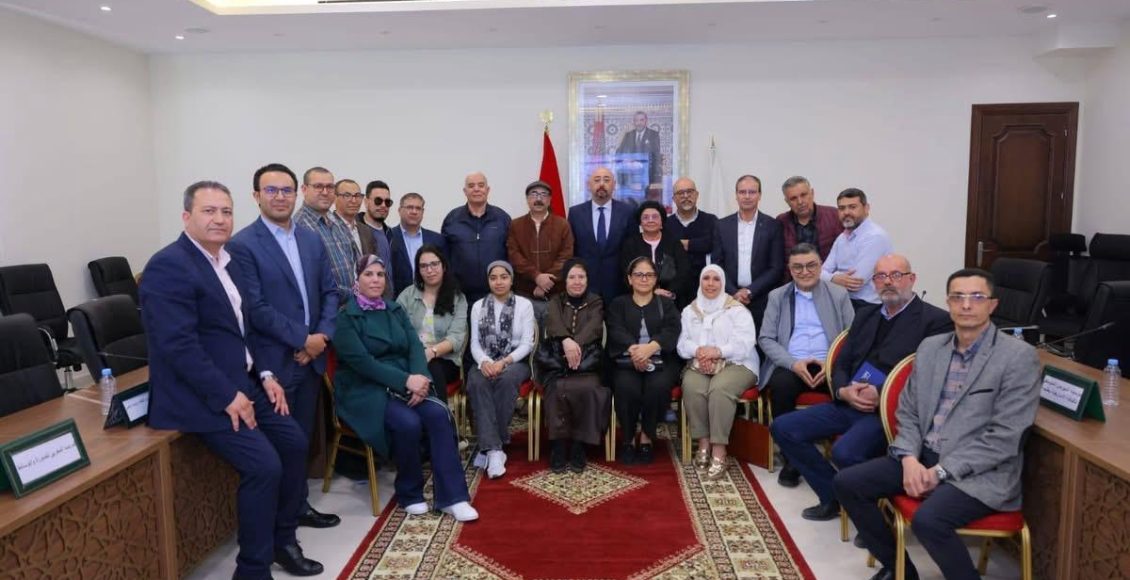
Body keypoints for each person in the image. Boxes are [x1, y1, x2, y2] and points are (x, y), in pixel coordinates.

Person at [141, 181, 323, 578]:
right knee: (264, 467)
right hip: (200, 395)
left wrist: (267, 374)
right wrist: (227, 395)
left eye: (226, 211)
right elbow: (178, 346)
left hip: (244, 383)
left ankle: (283, 542)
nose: (220, 219)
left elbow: (245, 330)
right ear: (186, 216)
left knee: (295, 442)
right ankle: (252, 569)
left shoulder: (228, 261)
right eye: (209, 211)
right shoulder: (168, 265)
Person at [835, 268, 1041, 580]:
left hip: (980, 472)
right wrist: (908, 458)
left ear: (993, 305)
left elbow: (1005, 438)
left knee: (929, 520)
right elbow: (909, 411)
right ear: (948, 303)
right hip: (923, 456)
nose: (966, 305)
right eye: (958, 297)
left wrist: (940, 472)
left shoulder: (1018, 357)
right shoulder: (931, 348)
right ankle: (899, 570)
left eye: (976, 297)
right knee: (848, 483)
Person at [769, 254, 952, 521]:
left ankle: (874, 516)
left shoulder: (935, 321)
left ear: (912, 279)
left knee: (846, 452)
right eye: (880, 276)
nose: (887, 282)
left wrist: (883, 393)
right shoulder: (866, 314)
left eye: (895, 275)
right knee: (784, 427)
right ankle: (833, 497)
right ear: (874, 283)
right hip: (849, 401)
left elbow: (928, 377)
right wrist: (842, 390)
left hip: (888, 412)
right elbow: (842, 361)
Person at [227, 162, 341, 530]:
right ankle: (280, 519)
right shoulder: (242, 245)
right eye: (271, 190)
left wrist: (320, 338)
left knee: (302, 440)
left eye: (286, 190)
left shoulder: (311, 239)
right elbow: (255, 308)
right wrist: (302, 338)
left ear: (296, 194)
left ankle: (298, 506)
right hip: (274, 361)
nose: (280, 197)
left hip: (311, 358)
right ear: (256, 196)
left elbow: (329, 292)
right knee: (280, 444)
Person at [333, 255, 478, 522]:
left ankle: (453, 498)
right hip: (366, 389)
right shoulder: (346, 318)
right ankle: (409, 492)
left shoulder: (394, 310)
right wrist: (405, 381)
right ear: (356, 280)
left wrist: (420, 379)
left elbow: (414, 347)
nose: (375, 280)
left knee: (439, 414)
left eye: (380, 274)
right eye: (368, 274)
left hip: (406, 380)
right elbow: (363, 364)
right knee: (408, 423)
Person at [758, 243, 855, 487]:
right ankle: (792, 458)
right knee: (781, 386)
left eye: (811, 265)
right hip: (792, 363)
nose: (804, 271)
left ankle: (841, 450)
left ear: (820, 266)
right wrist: (793, 364)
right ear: (790, 270)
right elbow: (766, 338)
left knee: (845, 389)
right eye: (797, 267)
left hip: (830, 364)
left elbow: (852, 336)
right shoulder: (778, 296)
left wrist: (830, 364)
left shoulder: (838, 294)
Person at [677, 264, 759, 480]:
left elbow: (744, 344)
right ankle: (703, 442)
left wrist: (717, 352)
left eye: (716, 279)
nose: (711, 283)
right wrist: (700, 352)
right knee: (692, 387)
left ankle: (719, 450)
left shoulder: (737, 310)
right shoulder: (689, 311)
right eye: (706, 278)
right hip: (699, 363)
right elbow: (682, 344)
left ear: (723, 283)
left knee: (719, 389)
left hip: (737, 364)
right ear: (700, 282)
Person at [606, 256, 681, 465]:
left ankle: (647, 437)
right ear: (630, 279)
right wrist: (635, 350)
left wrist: (650, 348)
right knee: (626, 387)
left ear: (656, 279)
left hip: (660, 360)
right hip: (626, 360)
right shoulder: (618, 304)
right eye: (639, 274)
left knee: (657, 387)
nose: (644, 279)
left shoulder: (666, 304)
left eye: (649, 275)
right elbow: (615, 329)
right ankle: (628, 439)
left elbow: (673, 329)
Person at [536, 259, 607, 474]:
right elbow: (553, 323)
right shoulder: (556, 301)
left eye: (581, 277)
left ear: (587, 279)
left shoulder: (596, 301)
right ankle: (558, 445)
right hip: (557, 363)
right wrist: (566, 341)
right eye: (572, 277)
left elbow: (594, 327)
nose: (577, 282)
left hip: (587, 363)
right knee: (557, 389)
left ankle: (579, 445)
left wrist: (576, 344)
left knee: (589, 389)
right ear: (565, 281)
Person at [466, 260, 535, 479]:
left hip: (515, 360)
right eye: (493, 278)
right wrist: (485, 362)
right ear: (488, 281)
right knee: (477, 381)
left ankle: (489, 446)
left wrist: (504, 362)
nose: (499, 282)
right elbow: (474, 343)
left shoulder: (524, 305)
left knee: (506, 380)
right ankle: (495, 450)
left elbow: (527, 343)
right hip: (485, 359)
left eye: (504, 277)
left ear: (512, 280)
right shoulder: (478, 306)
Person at [712, 174, 784, 330]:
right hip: (729, 298)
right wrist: (734, 292)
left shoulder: (773, 225)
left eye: (752, 192)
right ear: (736, 195)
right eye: (742, 192)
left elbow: (776, 267)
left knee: (761, 341)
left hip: (762, 299)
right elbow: (717, 264)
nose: (747, 196)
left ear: (759, 195)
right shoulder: (722, 225)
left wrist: (750, 291)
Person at [396, 245, 468, 403]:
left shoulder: (458, 298)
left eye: (434, 264)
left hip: (444, 360)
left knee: (433, 368)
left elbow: (456, 338)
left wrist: (430, 353)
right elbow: (396, 331)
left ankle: (439, 413)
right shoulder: (407, 295)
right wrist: (417, 356)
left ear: (444, 266)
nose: (429, 270)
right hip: (411, 357)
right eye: (423, 266)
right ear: (418, 270)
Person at [507, 180, 575, 322]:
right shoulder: (515, 225)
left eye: (544, 195)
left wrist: (546, 283)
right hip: (525, 292)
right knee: (528, 333)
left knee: (555, 332)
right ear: (527, 199)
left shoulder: (562, 224)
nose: (538, 198)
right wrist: (536, 276)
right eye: (534, 194)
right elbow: (514, 256)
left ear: (549, 200)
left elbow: (566, 256)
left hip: (556, 293)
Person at [441, 172, 512, 306]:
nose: (476, 189)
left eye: (481, 185)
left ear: (488, 190)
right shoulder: (452, 219)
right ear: (465, 191)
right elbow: (443, 256)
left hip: (497, 294)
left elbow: (511, 254)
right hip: (460, 296)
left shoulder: (502, 218)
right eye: (471, 186)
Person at [568, 167, 634, 304]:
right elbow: (572, 250)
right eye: (597, 180)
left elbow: (632, 249)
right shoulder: (575, 213)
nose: (602, 184)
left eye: (607, 180)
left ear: (614, 185)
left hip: (619, 286)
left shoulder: (628, 212)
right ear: (589, 185)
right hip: (585, 285)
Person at [821, 188, 894, 310]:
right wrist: (834, 278)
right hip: (844, 301)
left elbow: (855, 283)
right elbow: (819, 273)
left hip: (869, 307)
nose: (846, 212)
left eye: (852, 207)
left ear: (866, 208)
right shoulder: (842, 238)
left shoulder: (875, 236)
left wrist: (830, 277)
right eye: (842, 208)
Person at [293, 166, 358, 302]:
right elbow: (313, 280)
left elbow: (355, 261)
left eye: (330, 187)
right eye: (318, 186)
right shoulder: (299, 227)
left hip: (354, 306)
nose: (325, 192)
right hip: (327, 308)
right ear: (304, 189)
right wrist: (355, 294)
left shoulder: (337, 221)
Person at [619, 200, 693, 308]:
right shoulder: (630, 244)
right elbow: (626, 273)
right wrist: (650, 292)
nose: (650, 220)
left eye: (655, 217)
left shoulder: (674, 243)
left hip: (671, 300)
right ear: (640, 222)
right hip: (638, 299)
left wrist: (668, 292)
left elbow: (684, 271)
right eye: (645, 217)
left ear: (662, 221)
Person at [335, 178, 393, 299]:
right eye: (347, 195)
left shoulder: (366, 231)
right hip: (341, 302)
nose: (353, 200)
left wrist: (386, 302)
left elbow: (379, 269)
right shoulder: (328, 228)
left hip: (371, 301)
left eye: (357, 196)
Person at [775, 176, 843, 264]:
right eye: (793, 198)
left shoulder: (834, 216)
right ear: (787, 201)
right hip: (794, 272)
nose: (800, 202)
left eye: (803, 195)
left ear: (812, 193)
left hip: (829, 272)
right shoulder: (781, 222)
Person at [388, 192, 446, 296]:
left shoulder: (437, 240)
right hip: (398, 299)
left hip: (432, 298)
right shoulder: (388, 237)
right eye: (409, 207)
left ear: (422, 212)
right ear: (399, 210)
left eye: (418, 208)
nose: (414, 212)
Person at [665, 177, 717, 276]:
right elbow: (665, 248)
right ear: (674, 199)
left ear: (696, 195)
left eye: (689, 192)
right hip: (673, 281)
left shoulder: (711, 220)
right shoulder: (666, 224)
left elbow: (714, 244)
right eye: (681, 193)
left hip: (704, 281)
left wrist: (686, 244)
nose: (686, 196)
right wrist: (700, 244)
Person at [616, 111, 662, 186]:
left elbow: (656, 156)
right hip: (630, 176)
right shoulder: (628, 135)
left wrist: (656, 178)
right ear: (633, 122)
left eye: (641, 120)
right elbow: (619, 153)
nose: (639, 123)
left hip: (647, 176)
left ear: (646, 121)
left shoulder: (653, 135)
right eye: (636, 120)